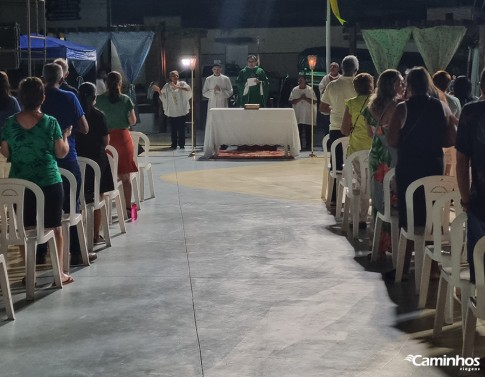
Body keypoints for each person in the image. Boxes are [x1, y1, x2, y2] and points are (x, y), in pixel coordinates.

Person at [1, 77, 73, 284]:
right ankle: (59, 273)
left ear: (20, 98)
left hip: (20, 186)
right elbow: (61, 152)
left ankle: (28, 273)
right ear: (43, 98)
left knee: (24, 229)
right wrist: (66, 137)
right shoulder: (51, 123)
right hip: (49, 182)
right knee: (55, 228)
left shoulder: (10, 123)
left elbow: (6, 151)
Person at [388, 66, 456, 275]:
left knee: (408, 216)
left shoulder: (402, 108)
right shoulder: (442, 107)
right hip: (434, 165)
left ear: (408, 85)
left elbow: (392, 140)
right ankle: (433, 267)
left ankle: (403, 266)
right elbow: (451, 139)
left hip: (409, 166)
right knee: (432, 214)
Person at [41, 62, 95, 266]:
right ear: (62, 78)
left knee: (42, 207)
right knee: (72, 206)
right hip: (66, 158)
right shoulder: (69, 97)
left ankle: (40, 253)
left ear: (43, 77)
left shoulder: (38, 98)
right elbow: (84, 127)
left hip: (43, 160)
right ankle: (77, 253)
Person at [455, 69, 485, 284]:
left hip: (480, 199)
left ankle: (480, 303)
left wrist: (465, 199)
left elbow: (462, 161)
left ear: (481, 86)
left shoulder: (471, 112)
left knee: (479, 260)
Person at [76, 82, 114, 244]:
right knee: (98, 197)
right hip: (96, 161)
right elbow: (106, 141)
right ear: (94, 98)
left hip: (77, 160)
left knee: (77, 195)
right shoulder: (99, 116)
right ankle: (94, 235)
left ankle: (78, 233)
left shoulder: (75, 115)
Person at [96, 71, 137, 216]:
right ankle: (128, 210)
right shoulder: (125, 99)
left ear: (106, 83)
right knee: (126, 178)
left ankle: (104, 210)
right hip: (123, 138)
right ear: (120, 83)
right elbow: (133, 121)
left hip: (105, 139)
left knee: (105, 175)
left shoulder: (99, 99)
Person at [320, 55, 359, 203]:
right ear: (356, 69)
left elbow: (323, 108)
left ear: (342, 69)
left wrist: (335, 110)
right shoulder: (360, 85)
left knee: (336, 164)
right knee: (358, 162)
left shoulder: (333, 85)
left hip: (336, 129)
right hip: (356, 130)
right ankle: (358, 194)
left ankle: (335, 197)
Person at [340, 73, 374, 227]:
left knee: (360, 182)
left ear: (355, 88)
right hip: (374, 149)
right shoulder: (377, 102)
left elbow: (344, 130)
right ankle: (374, 216)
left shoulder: (352, 104)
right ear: (371, 85)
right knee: (373, 181)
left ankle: (360, 217)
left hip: (356, 150)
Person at [156, 70, 192, 149]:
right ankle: (174, 144)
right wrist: (158, 90)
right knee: (173, 129)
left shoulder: (182, 83)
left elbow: (189, 89)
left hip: (181, 110)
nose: (174, 77)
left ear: (178, 76)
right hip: (172, 110)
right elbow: (163, 96)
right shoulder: (167, 86)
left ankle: (182, 144)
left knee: (181, 129)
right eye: (172, 76)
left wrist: (177, 87)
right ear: (170, 77)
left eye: (176, 75)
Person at [288, 75, 317, 150]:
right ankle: (299, 145)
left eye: (302, 80)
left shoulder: (310, 89)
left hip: (308, 113)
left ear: (305, 81)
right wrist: (301, 98)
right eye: (299, 80)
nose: (300, 81)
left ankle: (309, 146)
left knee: (308, 131)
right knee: (299, 131)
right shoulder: (295, 89)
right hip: (298, 113)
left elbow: (314, 101)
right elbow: (292, 101)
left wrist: (306, 98)